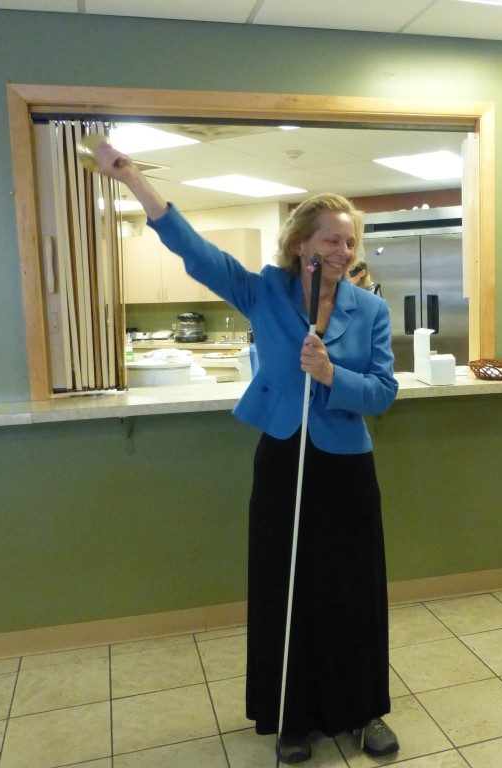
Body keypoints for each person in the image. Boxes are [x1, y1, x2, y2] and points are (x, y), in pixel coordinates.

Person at [92, 141, 400, 764]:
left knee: (351, 585)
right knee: (285, 585)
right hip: (285, 455)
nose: (344, 252)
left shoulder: (369, 309)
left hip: (345, 463)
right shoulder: (265, 293)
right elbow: (193, 250)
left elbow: (385, 394)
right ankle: (292, 715)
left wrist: (333, 376)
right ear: (300, 245)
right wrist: (132, 180)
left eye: (350, 242)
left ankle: (364, 710)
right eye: (333, 240)